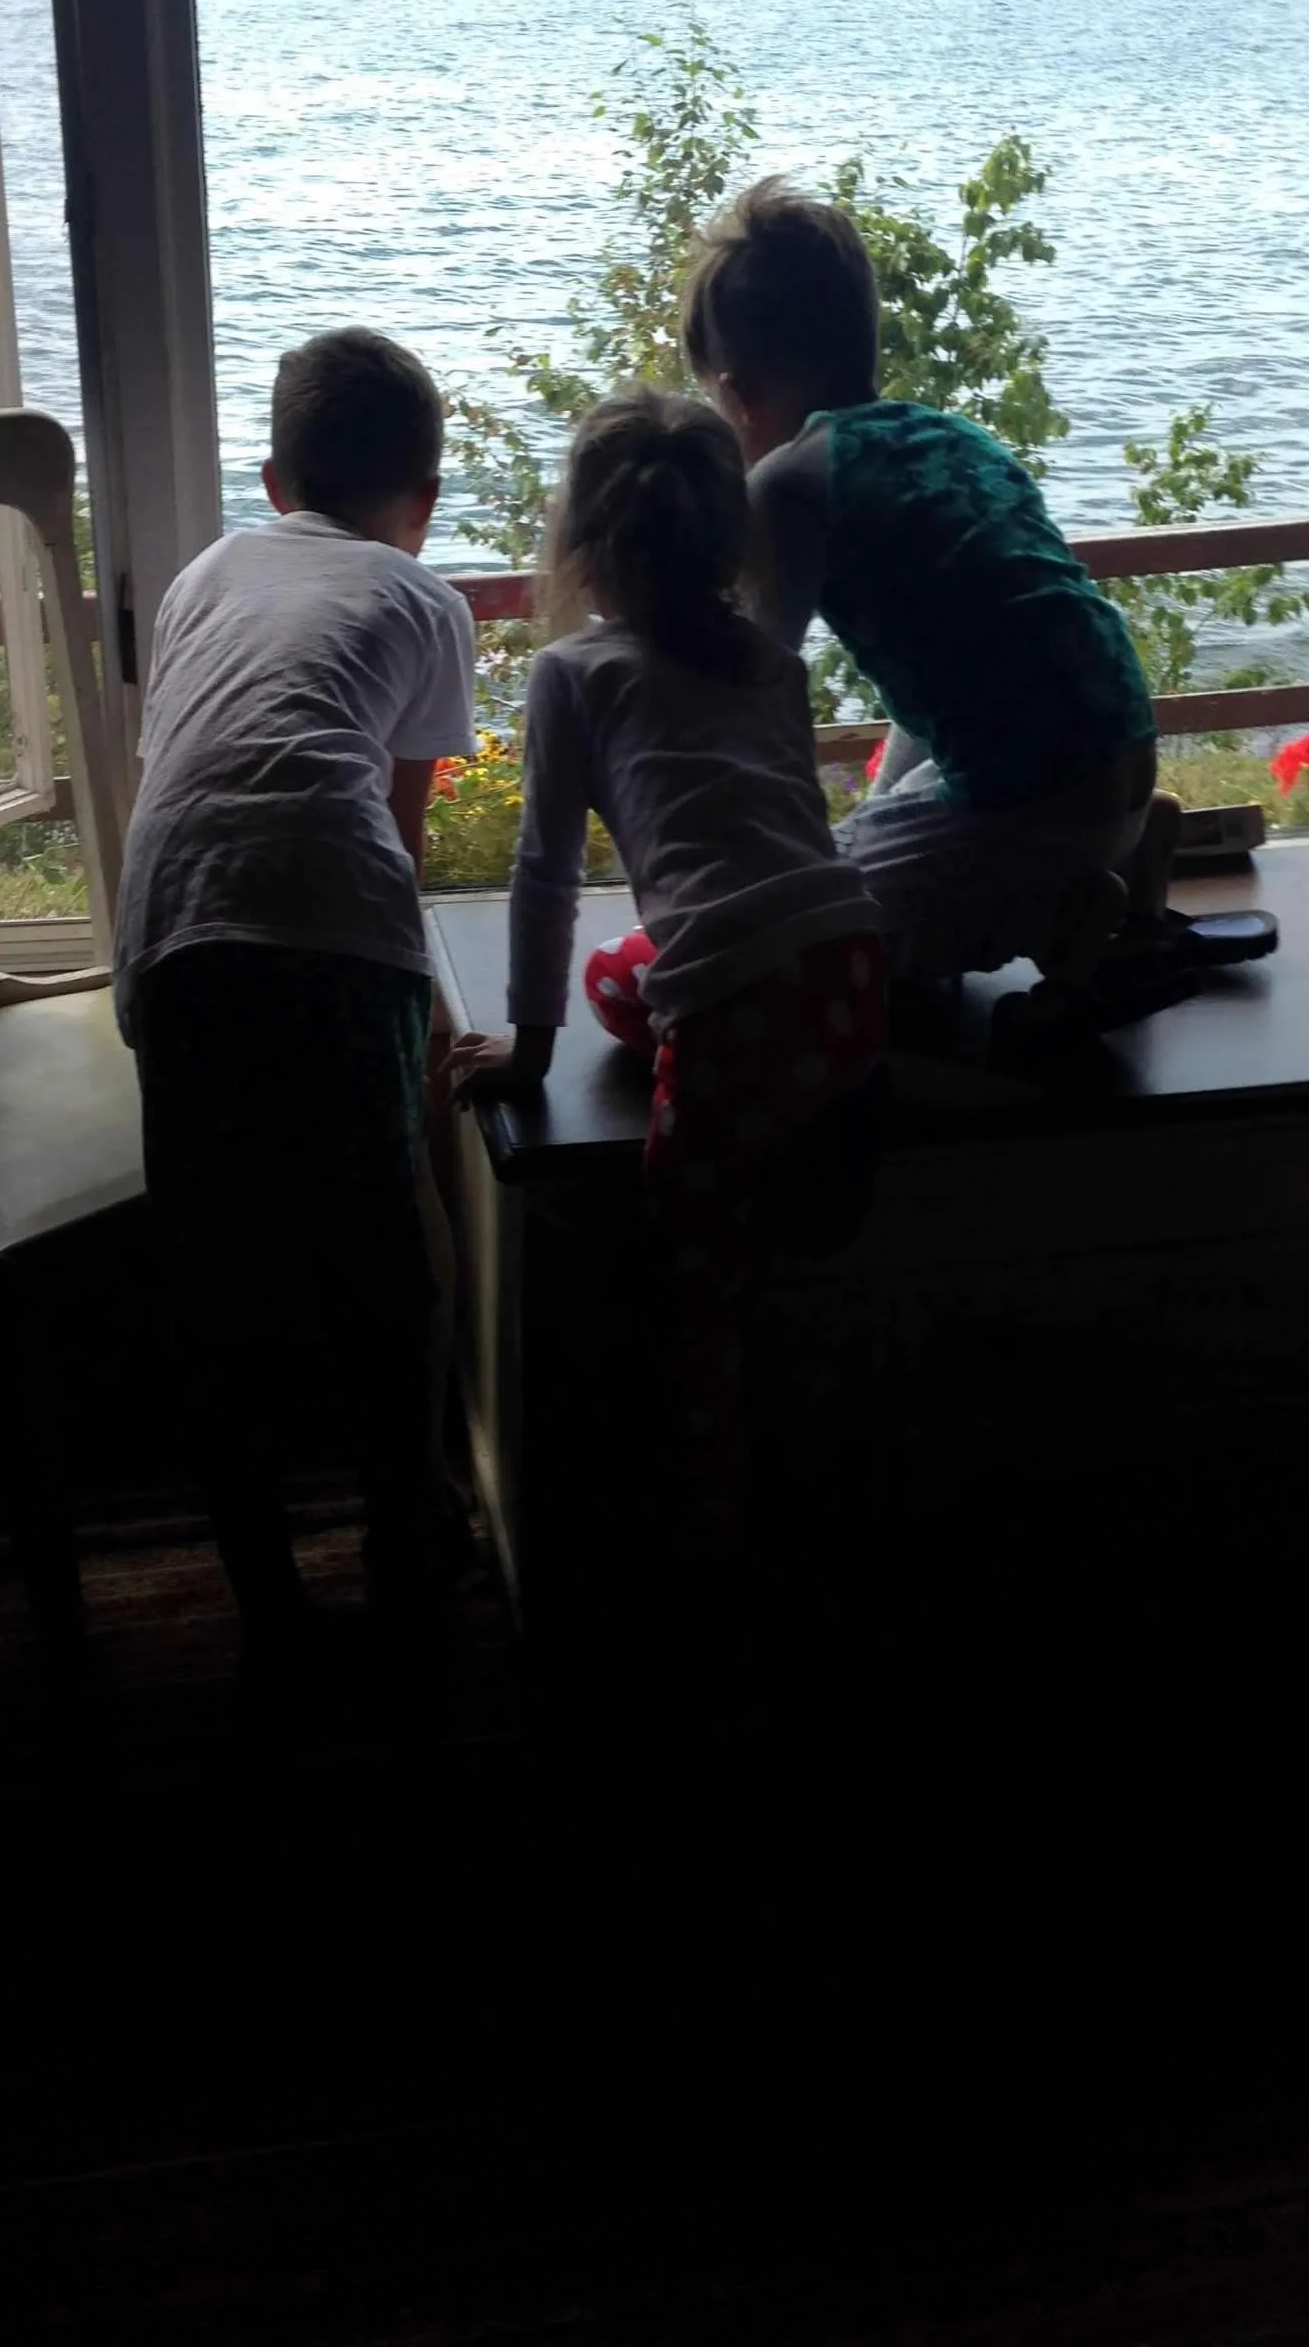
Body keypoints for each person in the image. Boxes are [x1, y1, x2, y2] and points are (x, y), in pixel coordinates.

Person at [455, 386, 886, 1551]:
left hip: (738, 1003)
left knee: (690, 1290)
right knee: (632, 970)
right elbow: (795, 822)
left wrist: (527, 1048)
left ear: (586, 545)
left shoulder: (576, 675)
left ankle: (708, 1536)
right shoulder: (770, 662)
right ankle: (820, 1106)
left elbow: (544, 868)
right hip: (850, 965)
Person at [115, 326, 477, 1695]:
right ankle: (408, 1539)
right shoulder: (421, 597)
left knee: (218, 1293)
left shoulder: (205, 574)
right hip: (328, 936)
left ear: (271, 480)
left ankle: (262, 1597)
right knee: (392, 1265)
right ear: (424, 502)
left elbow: (184, 771)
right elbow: (396, 831)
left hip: (176, 937)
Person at [680, 177, 1183, 1025]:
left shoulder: (787, 481)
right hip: (1124, 749)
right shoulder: (956, 435)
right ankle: (1127, 857)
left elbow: (754, 685)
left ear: (736, 394)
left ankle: (1062, 920)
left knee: (813, 926)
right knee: (927, 728)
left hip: (1036, 800)